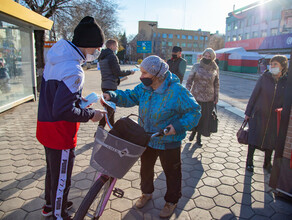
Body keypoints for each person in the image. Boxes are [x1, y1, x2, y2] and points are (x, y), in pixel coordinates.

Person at [103, 55, 201, 218]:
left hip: (169, 141)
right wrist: (112, 96)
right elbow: (129, 96)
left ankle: (171, 201)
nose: (141, 76)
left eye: (145, 73)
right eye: (141, 72)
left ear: (157, 74)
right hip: (147, 137)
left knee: (172, 173)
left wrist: (176, 127)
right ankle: (146, 193)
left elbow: (195, 112)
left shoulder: (177, 91)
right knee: (145, 169)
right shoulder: (144, 88)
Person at [36, 16, 106, 220]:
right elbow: (63, 111)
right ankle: (59, 214)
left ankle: (50, 205)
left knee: (52, 172)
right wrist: (91, 114)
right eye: (97, 47)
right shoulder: (74, 70)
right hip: (60, 133)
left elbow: (56, 97)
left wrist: (77, 99)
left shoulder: (56, 59)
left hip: (46, 127)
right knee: (62, 178)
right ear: (90, 44)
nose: (96, 52)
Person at [245, 55, 288, 173]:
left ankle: (267, 163)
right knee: (253, 138)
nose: (272, 66)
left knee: (271, 140)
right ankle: (249, 162)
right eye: (271, 64)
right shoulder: (264, 77)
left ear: (282, 66)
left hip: (275, 117)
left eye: (275, 64)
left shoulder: (286, 81)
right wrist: (248, 112)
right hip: (259, 114)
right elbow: (254, 95)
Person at [98, 39, 135, 128]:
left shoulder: (102, 56)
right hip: (111, 86)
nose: (117, 48)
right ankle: (100, 127)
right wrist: (130, 72)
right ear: (111, 46)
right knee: (110, 109)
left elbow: (110, 72)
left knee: (111, 108)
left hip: (104, 85)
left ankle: (113, 129)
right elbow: (117, 72)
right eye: (116, 46)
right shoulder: (112, 56)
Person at [186, 48, 219, 146]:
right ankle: (193, 131)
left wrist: (216, 97)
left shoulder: (215, 68)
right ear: (203, 55)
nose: (207, 58)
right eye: (206, 55)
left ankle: (198, 138)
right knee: (196, 117)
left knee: (204, 118)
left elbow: (217, 83)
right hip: (196, 96)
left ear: (212, 58)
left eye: (209, 56)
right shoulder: (196, 66)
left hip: (209, 98)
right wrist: (187, 94)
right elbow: (189, 81)